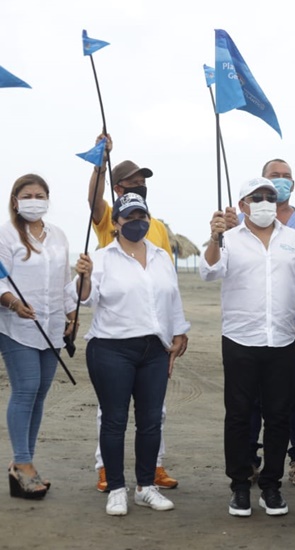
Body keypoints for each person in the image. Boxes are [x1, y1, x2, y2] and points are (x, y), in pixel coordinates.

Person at [70, 193, 190, 516]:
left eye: (142, 216)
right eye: (130, 217)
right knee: (114, 420)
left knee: (151, 421)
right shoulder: (103, 258)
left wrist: (179, 330)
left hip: (154, 348)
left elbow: (171, 296)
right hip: (111, 348)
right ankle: (117, 489)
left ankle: (146, 487)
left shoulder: (161, 256)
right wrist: (82, 276)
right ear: (116, 222)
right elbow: (83, 298)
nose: (137, 222)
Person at [202, 177, 295, 517]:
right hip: (239, 339)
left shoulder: (293, 239)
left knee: (279, 415)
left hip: (282, 339)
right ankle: (239, 485)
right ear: (243, 203)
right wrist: (214, 237)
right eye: (257, 196)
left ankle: (271, 486)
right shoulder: (229, 239)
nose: (265, 201)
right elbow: (209, 272)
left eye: (270, 196)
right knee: (237, 415)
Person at [85, 133, 177, 492]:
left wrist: (174, 328)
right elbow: (93, 200)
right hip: (115, 327)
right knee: (112, 412)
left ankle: (153, 468)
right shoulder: (109, 216)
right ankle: (106, 468)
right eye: (133, 181)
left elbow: (166, 274)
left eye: (144, 181)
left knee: (155, 412)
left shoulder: (155, 225)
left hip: (155, 330)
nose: (140, 185)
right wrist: (100, 162)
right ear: (118, 187)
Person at [0, 174, 76, 499]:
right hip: (16, 326)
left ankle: (23, 465)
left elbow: (65, 279)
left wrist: (71, 313)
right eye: (28, 194)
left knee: (40, 393)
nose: (35, 199)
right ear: (16, 200)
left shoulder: (58, 236)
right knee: (26, 387)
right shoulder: (5, 235)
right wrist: (14, 304)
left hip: (53, 325)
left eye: (40, 194)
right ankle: (23, 462)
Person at [245, 159, 295, 488]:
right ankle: (251, 460)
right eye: (276, 176)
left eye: (288, 176)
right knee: (256, 400)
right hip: (256, 330)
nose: (282, 181)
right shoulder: (245, 225)